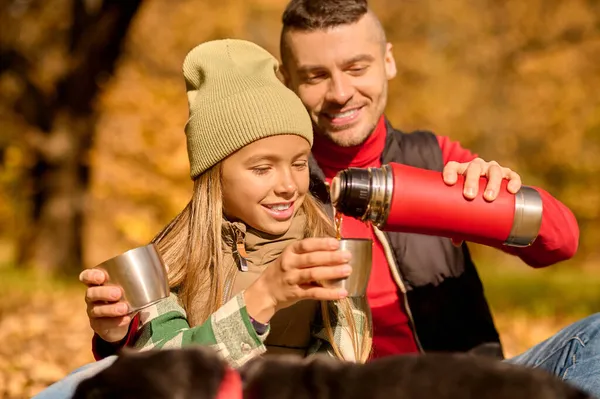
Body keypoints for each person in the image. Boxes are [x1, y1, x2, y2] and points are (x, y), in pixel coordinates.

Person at [82, 0, 600, 396]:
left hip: (474, 384)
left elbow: (560, 242)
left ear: (388, 62)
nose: (340, 93)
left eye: (356, 67)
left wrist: (499, 199)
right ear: (287, 84)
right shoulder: (269, 194)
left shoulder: (435, 160)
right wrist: (115, 332)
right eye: (315, 76)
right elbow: (171, 338)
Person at [34, 38, 371, 399]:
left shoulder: (327, 254)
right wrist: (117, 335)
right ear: (215, 175)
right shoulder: (173, 256)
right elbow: (165, 378)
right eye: (262, 168)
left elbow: (339, 379)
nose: (288, 185)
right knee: (80, 382)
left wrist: (270, 296)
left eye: (300, 163)